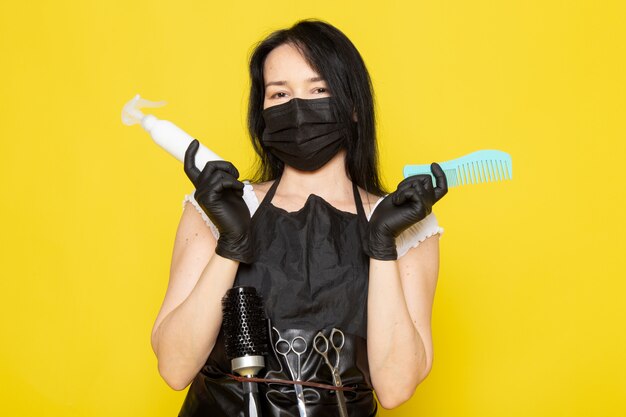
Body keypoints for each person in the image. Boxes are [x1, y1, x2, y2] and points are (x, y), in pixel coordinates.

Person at [150, 19, 447, 416]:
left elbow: (394, 388)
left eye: (319, 89)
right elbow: (174, 367)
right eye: (279, 94)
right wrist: (231, 245)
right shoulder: (217, 208)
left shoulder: (406, 225)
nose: (298, 107)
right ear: (263, 112)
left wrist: (381, 246)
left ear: (353, 106)